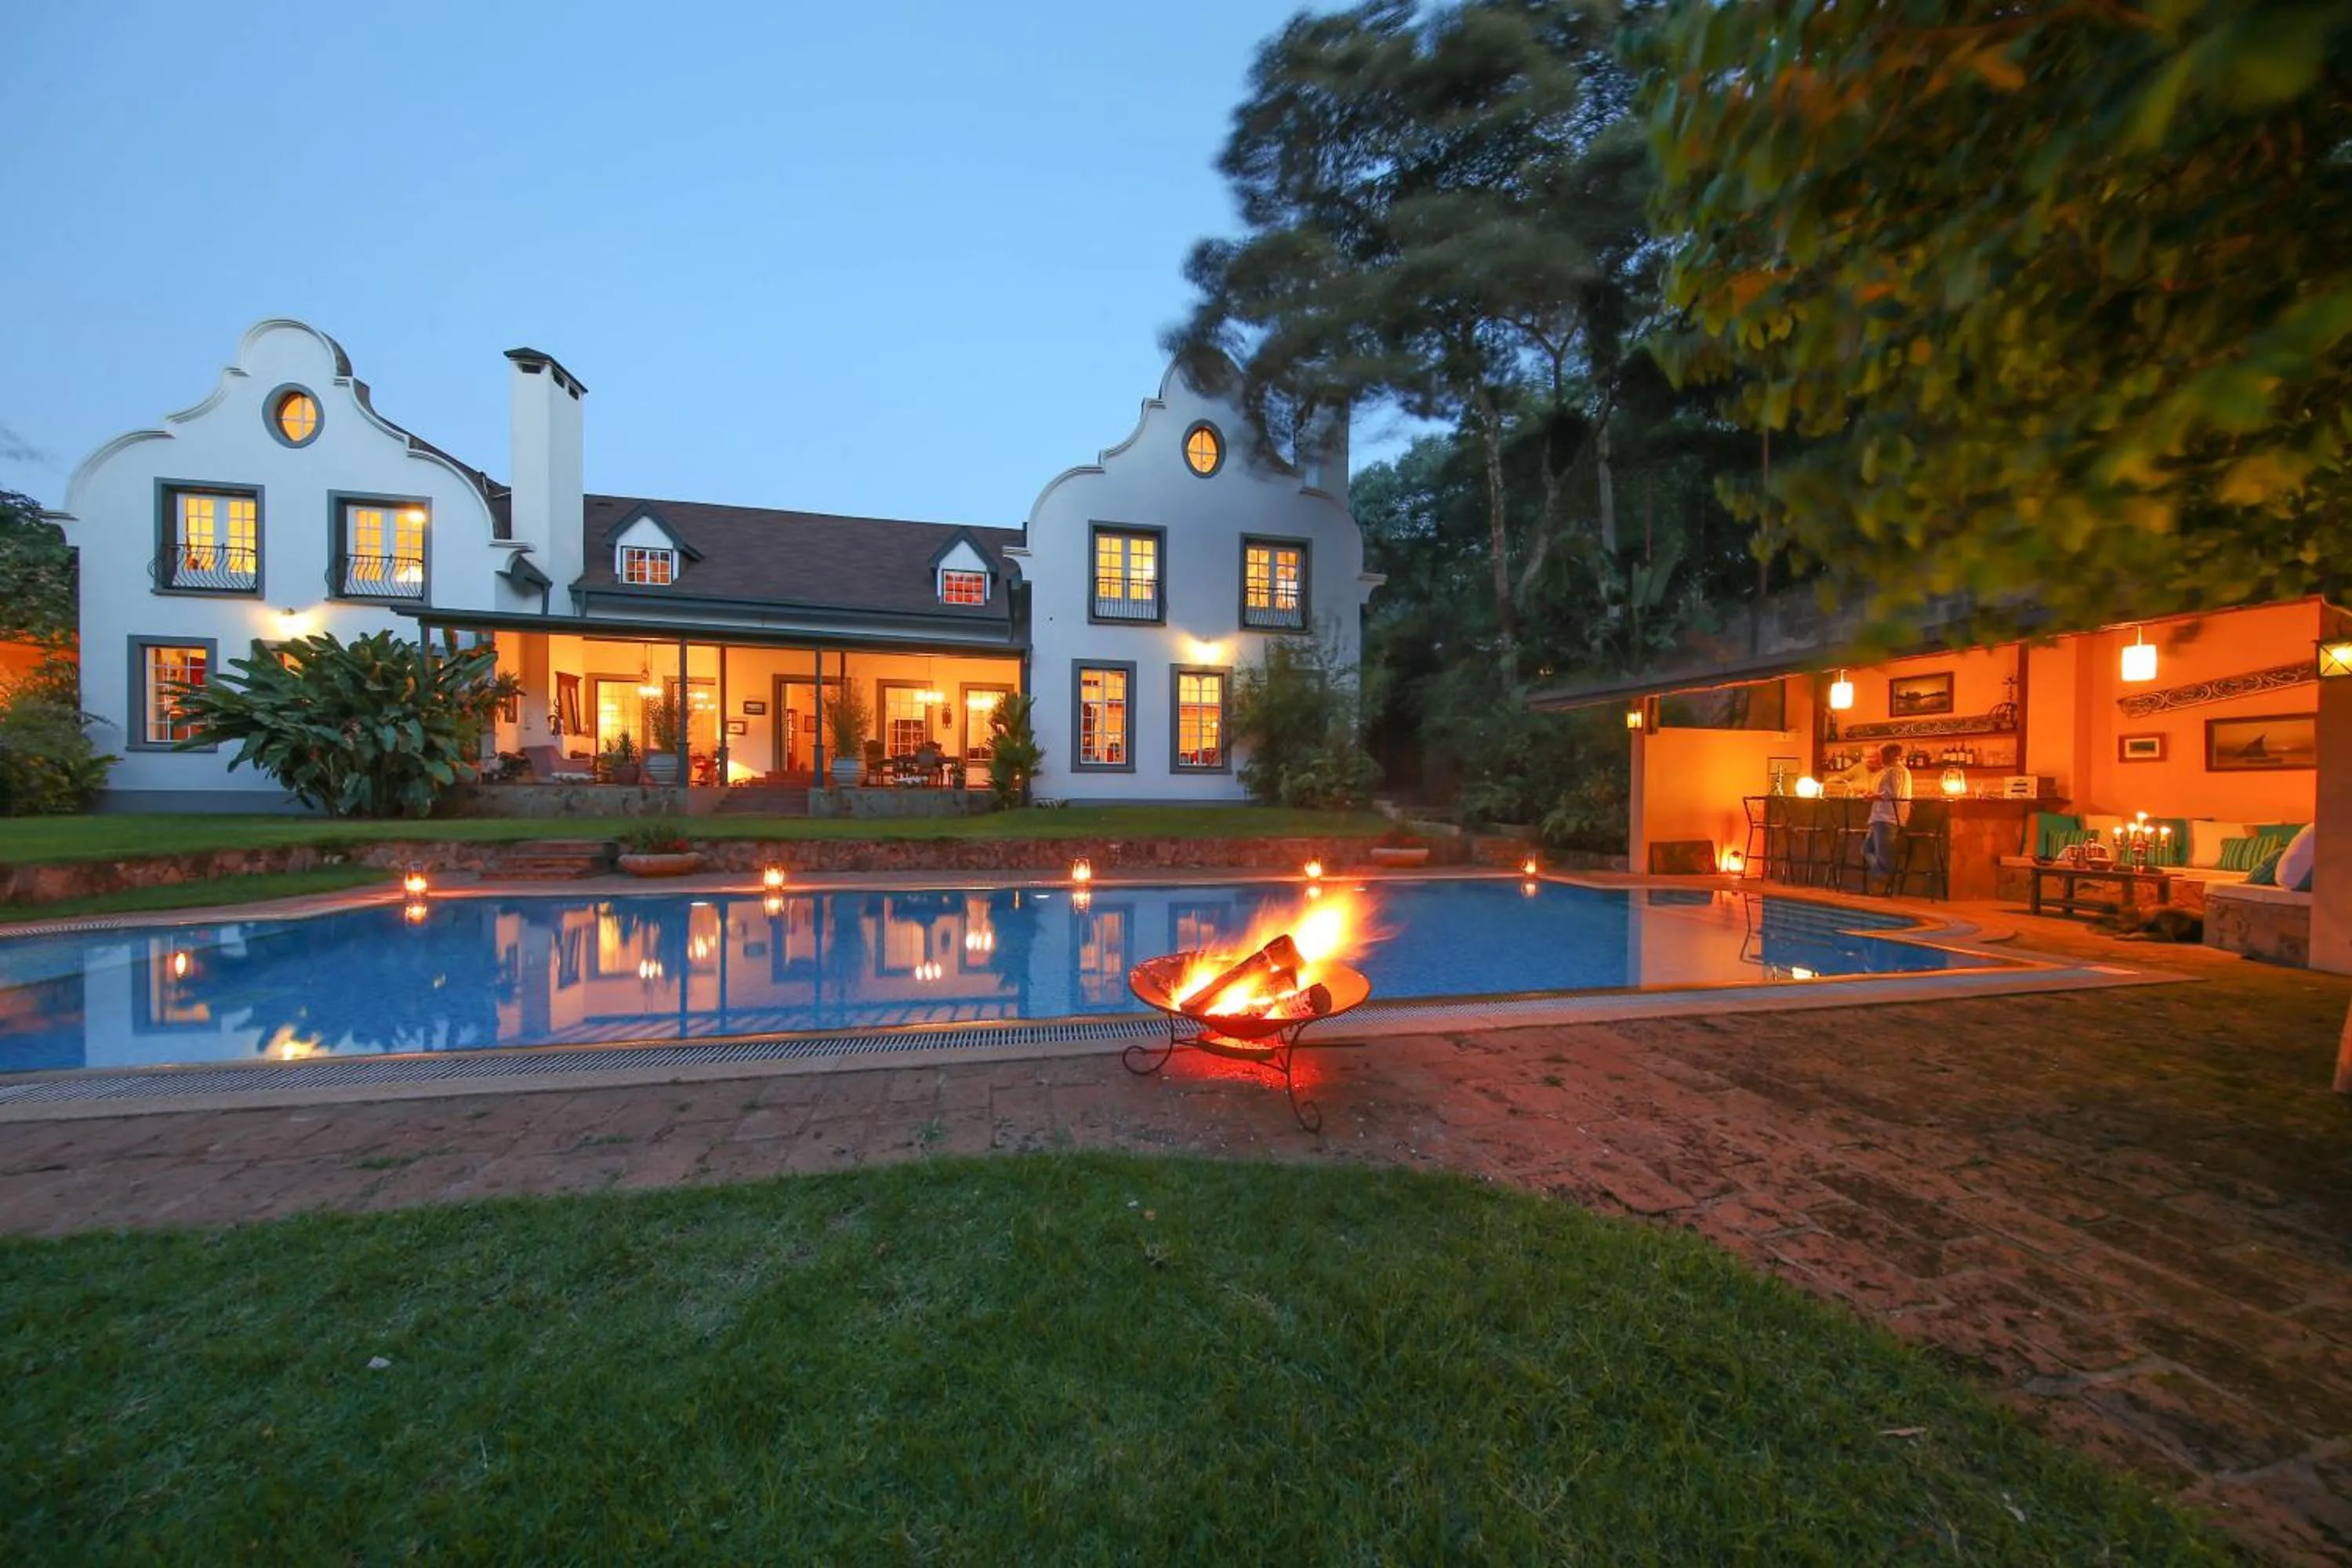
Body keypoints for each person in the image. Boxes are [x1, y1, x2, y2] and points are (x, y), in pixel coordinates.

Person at [1864, 742, 1911, 890]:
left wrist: (1874, 796)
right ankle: (1882, 879)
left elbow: (1893, 794)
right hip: (1881, 817)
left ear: (1893, 755)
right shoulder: (1890, 771)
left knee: (1883, 856)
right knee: (1866, 849)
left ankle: (1883, 884)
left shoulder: (1896, 771)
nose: (1880, 758)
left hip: (1887, 817)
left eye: (1882, 754)